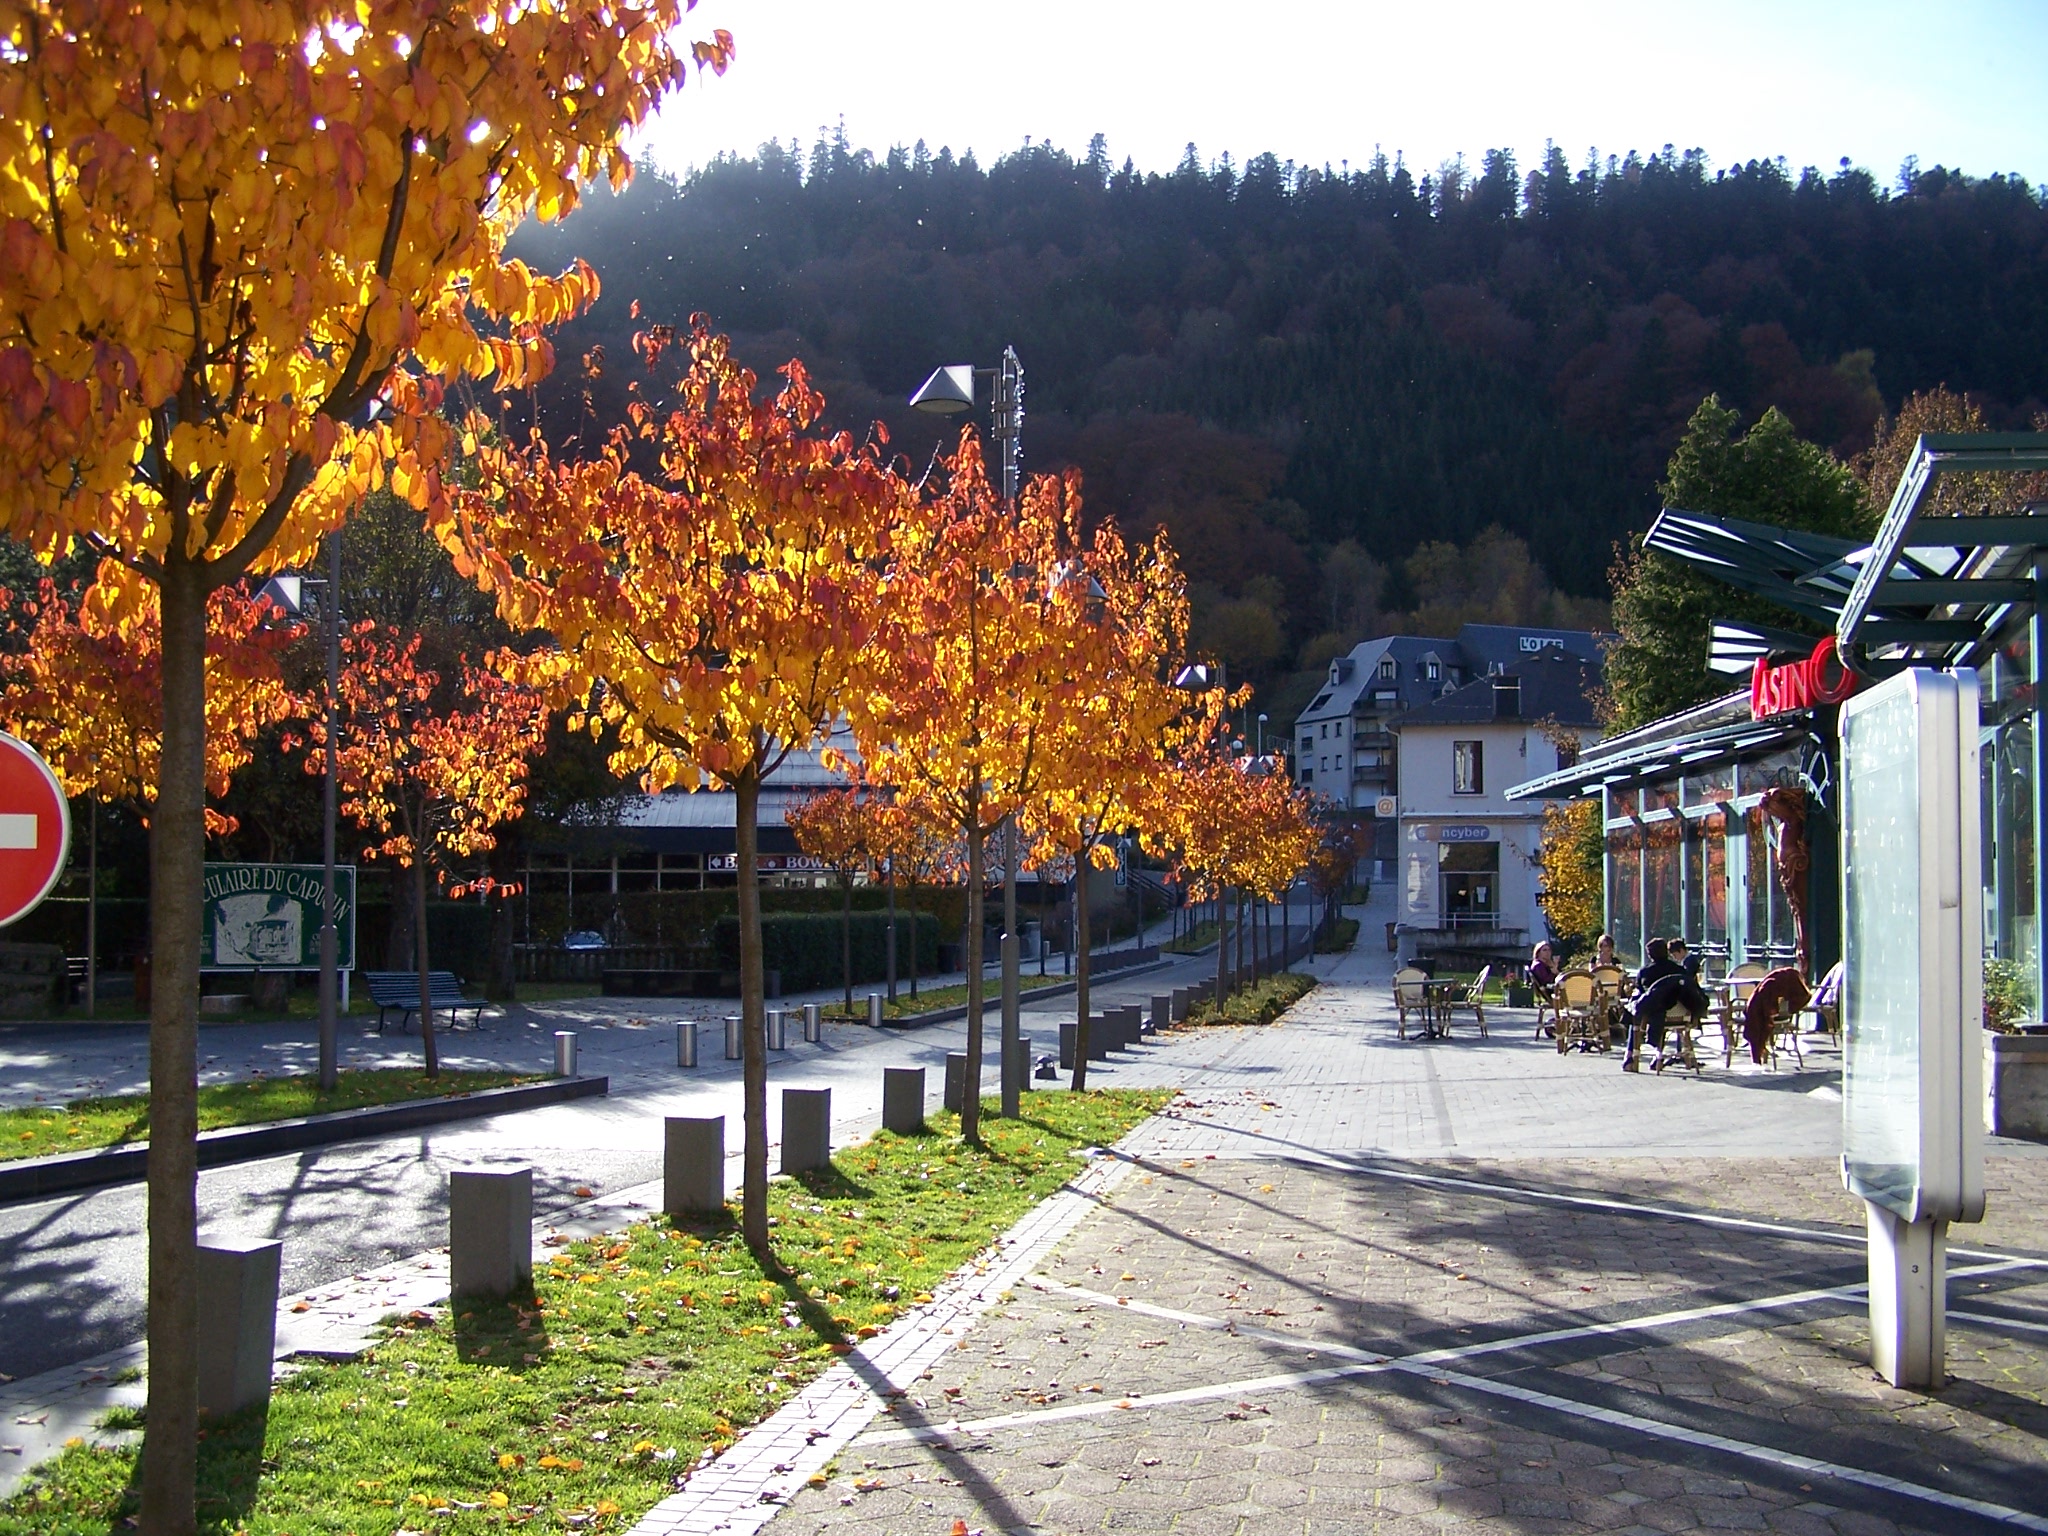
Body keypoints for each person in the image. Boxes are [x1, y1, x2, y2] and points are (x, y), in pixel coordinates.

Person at [1626, 937, 1708, 1072]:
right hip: (1680, 1015)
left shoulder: (1645, 972)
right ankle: (1658, 1057)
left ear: (1650, 955)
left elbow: (1641, 992)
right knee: (1662, 1006)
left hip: (1655, 1014)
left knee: (1638, 1011)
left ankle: (1630, 1058)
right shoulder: (1680, 970)